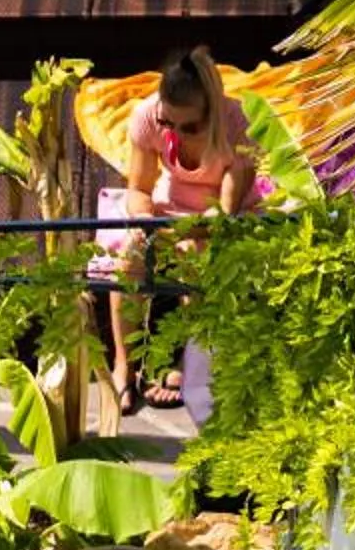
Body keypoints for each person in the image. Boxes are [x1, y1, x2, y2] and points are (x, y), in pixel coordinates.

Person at [96, 44, 264, 410]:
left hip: (223, 218)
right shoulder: (148, 116)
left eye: (189, 127)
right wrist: (144, 222)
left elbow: (224, 213)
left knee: (196, 258)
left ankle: (189, 363)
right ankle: (124, 366)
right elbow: (139, 189)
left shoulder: (238, 123)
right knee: (129, 260)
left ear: (212, 112)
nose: (177, 134)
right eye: (168, 124)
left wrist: (187, 233)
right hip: (169, 212)